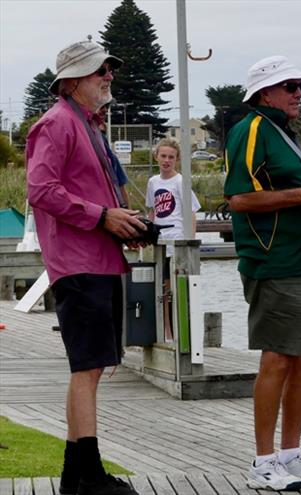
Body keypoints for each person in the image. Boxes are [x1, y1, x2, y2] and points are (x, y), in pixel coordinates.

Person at [26, 39, 144, 495]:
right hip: (78, 263)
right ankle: (89, 476)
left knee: (91, 367)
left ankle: (75, 477)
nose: (108, 76)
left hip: (95, 258)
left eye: (108, 69)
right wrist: (103, 217)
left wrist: (124, 222)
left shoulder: (87, 125)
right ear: (72, 82)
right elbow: (40, 190)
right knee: (87, 368)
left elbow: (79, 192)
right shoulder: (56, 123)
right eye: (100, 71)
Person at [224, 55, 301, 491]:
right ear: (264, 93)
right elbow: (238, 198)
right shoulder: (251, 129)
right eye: (290, 85)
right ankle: (262, 460)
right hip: (276, 261)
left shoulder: (281, 134)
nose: (298, 93)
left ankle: (290, 453)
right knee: (277, 357)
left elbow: (295, 192)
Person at [145, 138, 201, 341]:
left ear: (177, 160)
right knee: (162, 289)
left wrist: (190, 241)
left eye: (171, 157)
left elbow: (191, 212)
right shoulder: (153, 182)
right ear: (156, 157)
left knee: (176, 288)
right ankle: (166, 332)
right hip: (160, 241)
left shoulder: (180, 181)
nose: (167, 161)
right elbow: (152, 212)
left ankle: (179, 333)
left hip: (177, 241)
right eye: (163, 156)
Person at [95, 102, 130, 207]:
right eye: (101, 105)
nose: (105, 110)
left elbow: (120, 185)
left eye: (107, 106)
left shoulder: (107, 151)